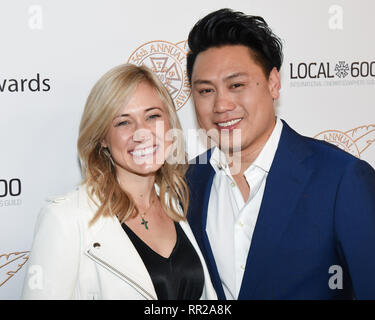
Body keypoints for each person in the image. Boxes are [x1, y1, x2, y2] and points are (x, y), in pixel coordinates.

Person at [185, 8, 375, 299]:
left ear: (274, 83)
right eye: (206, 91)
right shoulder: (189, 180)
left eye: (237, 85)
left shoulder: (341, 178)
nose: (221, 105)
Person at [22, 64, 217, 300]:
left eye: (153, 116)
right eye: (123, 122)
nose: (142, 132)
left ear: (169, 124)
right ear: (102, 137)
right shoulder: (66, 218)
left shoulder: (181, 203)